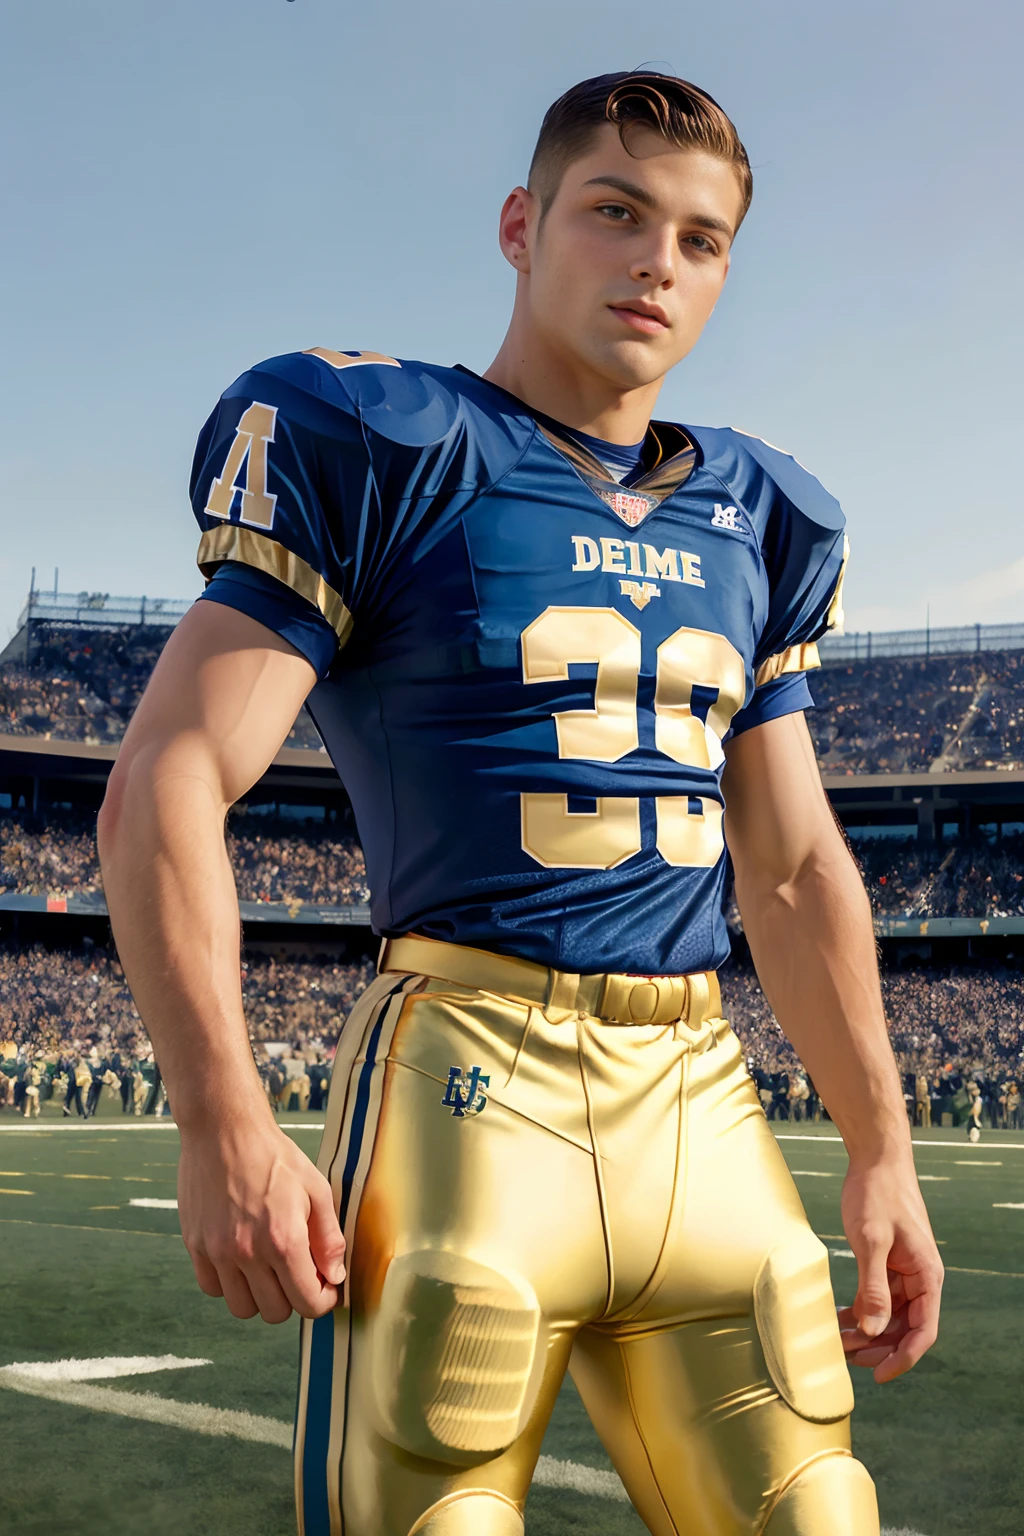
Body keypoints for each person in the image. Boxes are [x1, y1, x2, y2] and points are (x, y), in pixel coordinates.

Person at [98, 69, 942, 1536]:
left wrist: (882, 1147)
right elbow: (173, 769)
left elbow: (795, 868)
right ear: (521, 223)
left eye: (699, 238)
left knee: (820, 1513)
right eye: (615, 213)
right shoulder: (383, 440)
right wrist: (218, 1110)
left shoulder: (766, 517)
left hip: (702, 1093)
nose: (654, 263)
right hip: (468, 1080)